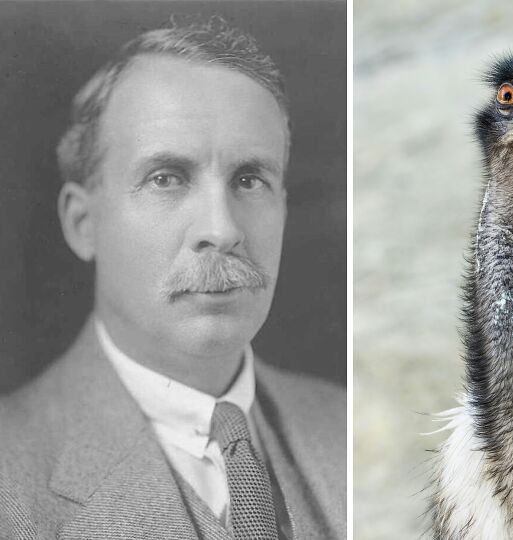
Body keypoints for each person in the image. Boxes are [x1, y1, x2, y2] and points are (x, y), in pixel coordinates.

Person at [0, 17, 346, 540]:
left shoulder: (349, 424)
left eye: (250, 179)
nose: (221, 229)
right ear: (82, 223)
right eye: (166, 178)